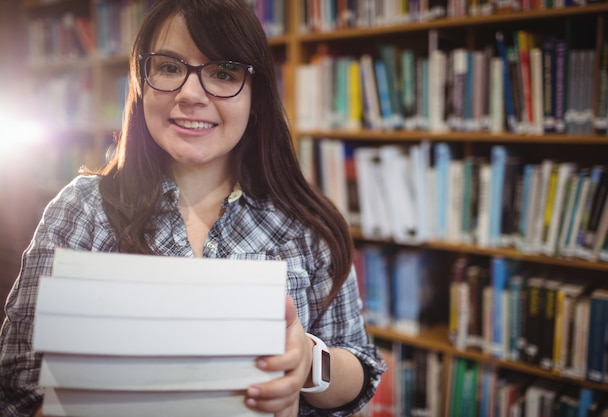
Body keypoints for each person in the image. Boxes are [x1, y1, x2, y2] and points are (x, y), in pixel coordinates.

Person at [0, 0, 385, 416]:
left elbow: (362, 370)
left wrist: (307, 361)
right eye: (168, 67)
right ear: (140, 83)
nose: (190, 94)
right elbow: (17, 381)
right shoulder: (83, 209)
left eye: (223, 73)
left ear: (256, 96)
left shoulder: (305, 222)